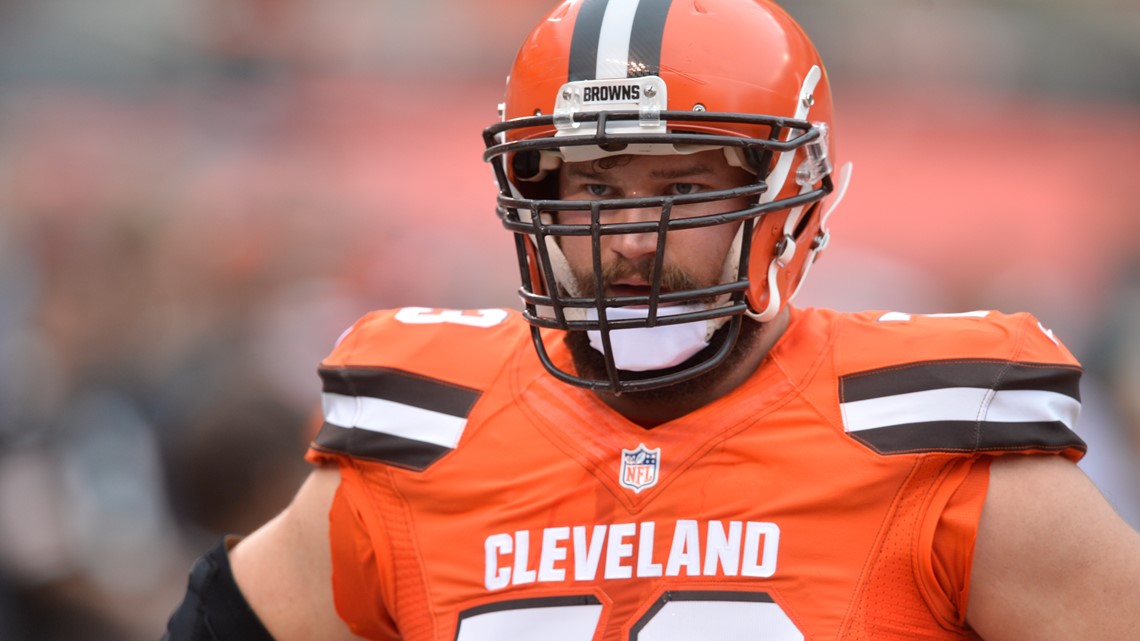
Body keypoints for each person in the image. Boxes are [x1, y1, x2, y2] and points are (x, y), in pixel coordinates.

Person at [161, 1, 1140, 639]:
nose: (631, 238)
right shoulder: (425, 442)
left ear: (791, 199)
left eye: (681, 184)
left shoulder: (937, 451)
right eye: (592, 186)